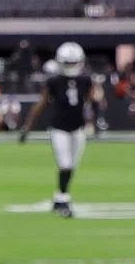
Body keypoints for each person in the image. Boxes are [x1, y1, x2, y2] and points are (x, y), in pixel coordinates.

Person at [18, 41, 97, 219]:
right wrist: (27, 128)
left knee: (72, 165)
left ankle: (59, 197)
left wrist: (94, 120)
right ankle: (63, 199)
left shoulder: (86, 80)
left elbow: (93, 101)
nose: (70, 66)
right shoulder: (54, 81)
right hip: (59, 127)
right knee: (65, 164)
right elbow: (41, 104)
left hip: (78, 128)